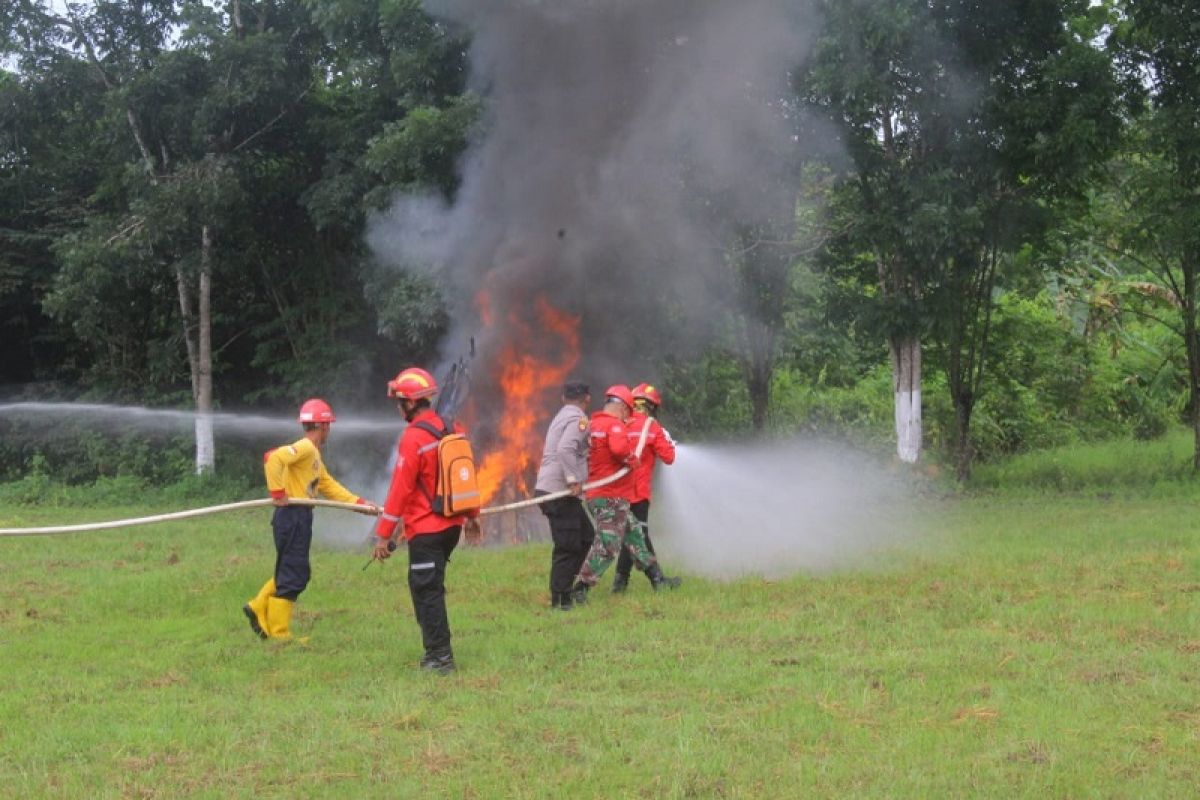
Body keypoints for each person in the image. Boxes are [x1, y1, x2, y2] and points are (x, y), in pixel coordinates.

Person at [372, 366, 482, 675]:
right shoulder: (451, 427)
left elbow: (400, 490)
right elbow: (465, 475)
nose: (397, 408)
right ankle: (434, 652)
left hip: (427, 530)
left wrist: (383, 534)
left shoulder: (413, 439)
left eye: (399, 402)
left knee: (427, 591)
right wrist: (472, 516)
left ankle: (440, 658)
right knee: (424, 586)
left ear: (409, 403)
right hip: (451, 527)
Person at [244, 398, 376, 641]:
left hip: (299, 517)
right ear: (324, 426)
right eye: (329, 426)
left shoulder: (313, 456)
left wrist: (359, 505)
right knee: (295, 574)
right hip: (292, 516)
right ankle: (279, 635)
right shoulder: (305, 447)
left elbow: (329, 486)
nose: (329, 431)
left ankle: (258, 606)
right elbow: (272, 458)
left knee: (293, 571)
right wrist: (278, 494)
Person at [570, 385, 681, 603]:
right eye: (626, 412)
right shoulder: (619, 426)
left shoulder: (593, 424)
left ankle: (657, 579)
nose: (627, 417)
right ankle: (580, 589)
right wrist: (633, 458)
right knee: (608, 545)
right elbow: (664, 456)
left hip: (603, 493)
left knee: (635, 537)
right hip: (612, 495)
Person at [534, 381, 595, 610]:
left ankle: (566, 589)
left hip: (558, 491)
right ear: (587, 399)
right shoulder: (577, 419)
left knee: (586, 537)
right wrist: (573, 479)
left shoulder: (562, 415)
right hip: (559, 491)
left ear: (563, 398)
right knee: (568, 545)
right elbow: (565, 449)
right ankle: (560, 599)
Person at [611, 382, 677, 594]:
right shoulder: (652, 427)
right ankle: (657, 580)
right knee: (639, 535)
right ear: (652, 407)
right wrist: (666, 439)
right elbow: (669, 457)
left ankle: (620, 583)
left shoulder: (618, 423)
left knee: (631, 536)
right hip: (637, 494)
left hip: (615, 492)